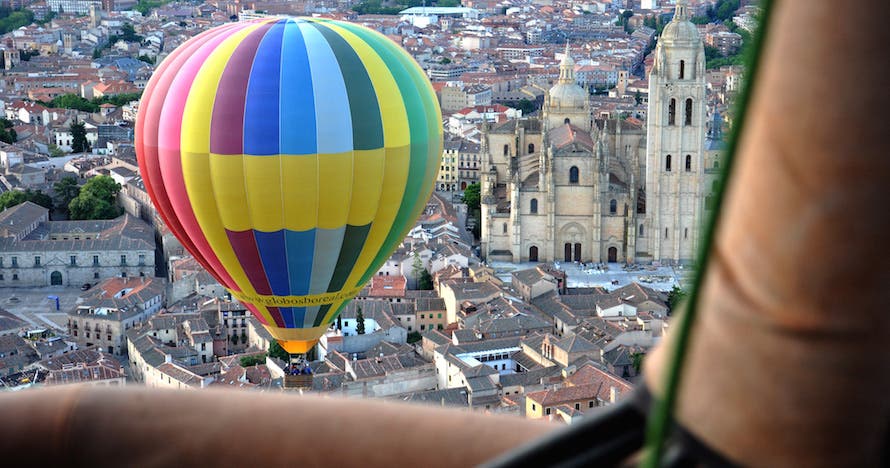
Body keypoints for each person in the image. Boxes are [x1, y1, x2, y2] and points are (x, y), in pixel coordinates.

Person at [0, 2, 886, 467]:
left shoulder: (625, 161)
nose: (681, 96)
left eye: (684, 87)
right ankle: (296, 340)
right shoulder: (532, 160)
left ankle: (294, 342)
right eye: (677, 86)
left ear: (682, 85)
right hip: (535, 222)